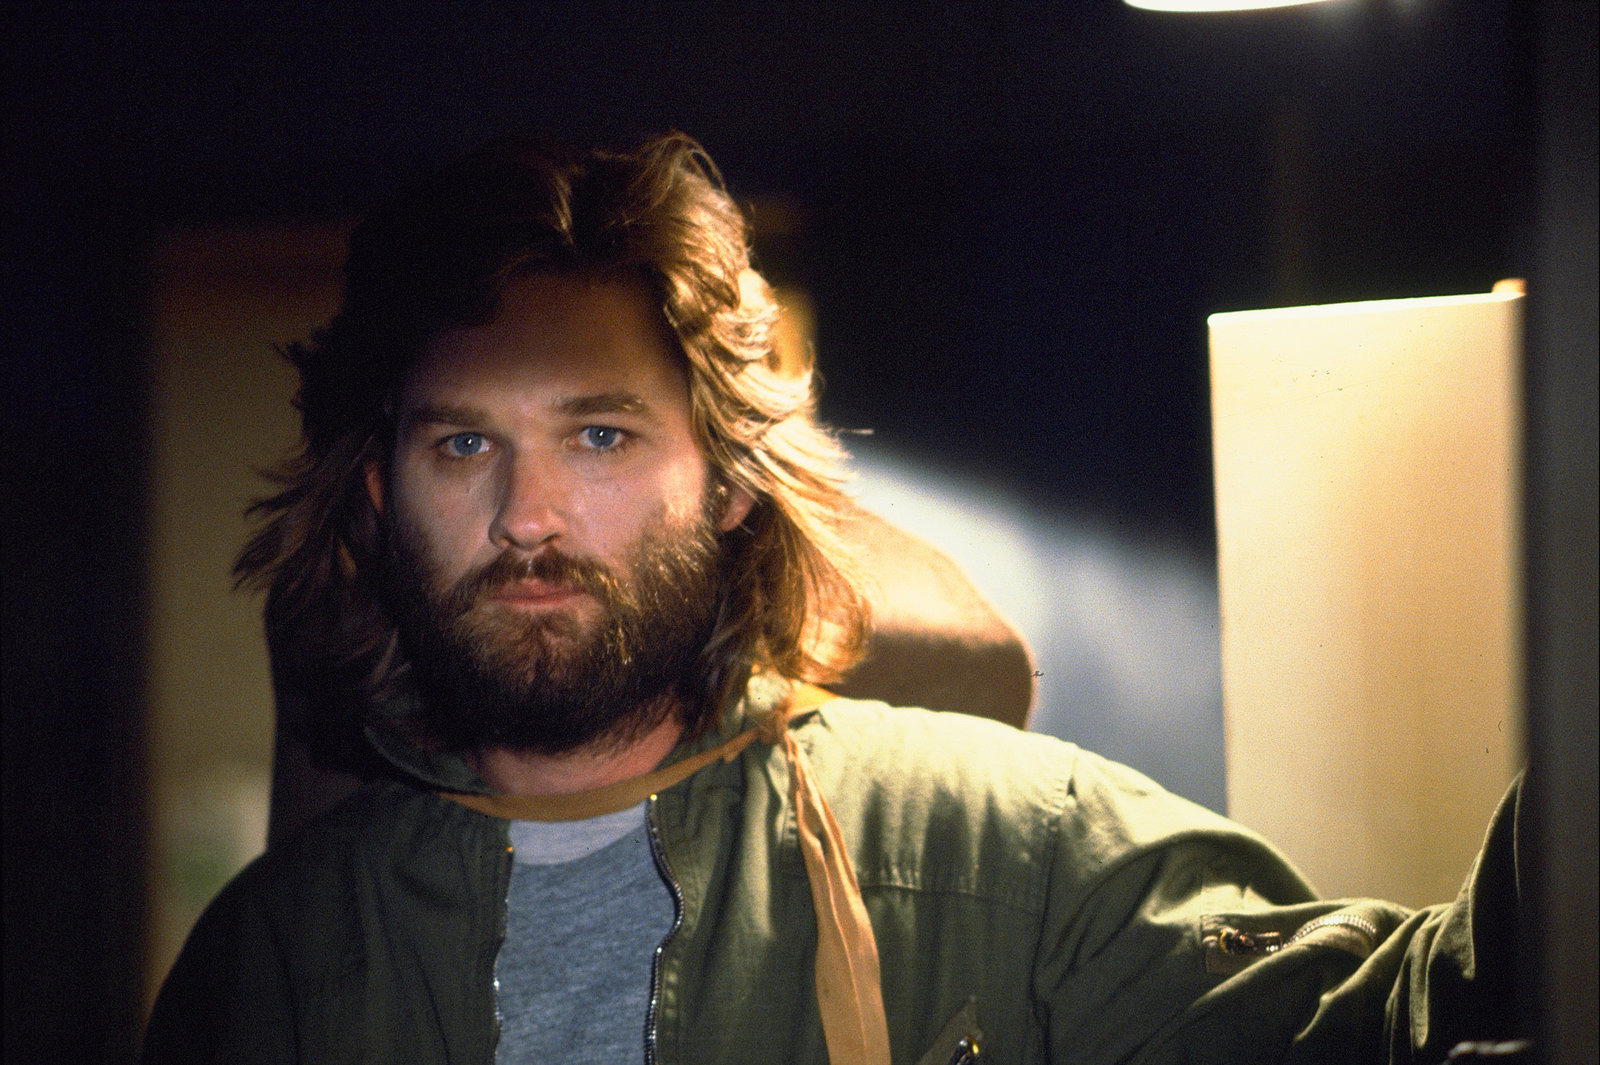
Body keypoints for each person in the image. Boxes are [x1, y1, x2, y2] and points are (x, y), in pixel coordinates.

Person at [141, 132, 1528, 1064]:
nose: (527, 516)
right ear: (380, 495)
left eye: (601, 436)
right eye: (462, 446)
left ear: (729, 483)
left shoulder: (997, 852)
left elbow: (1414, 1016)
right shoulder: (272, 964)